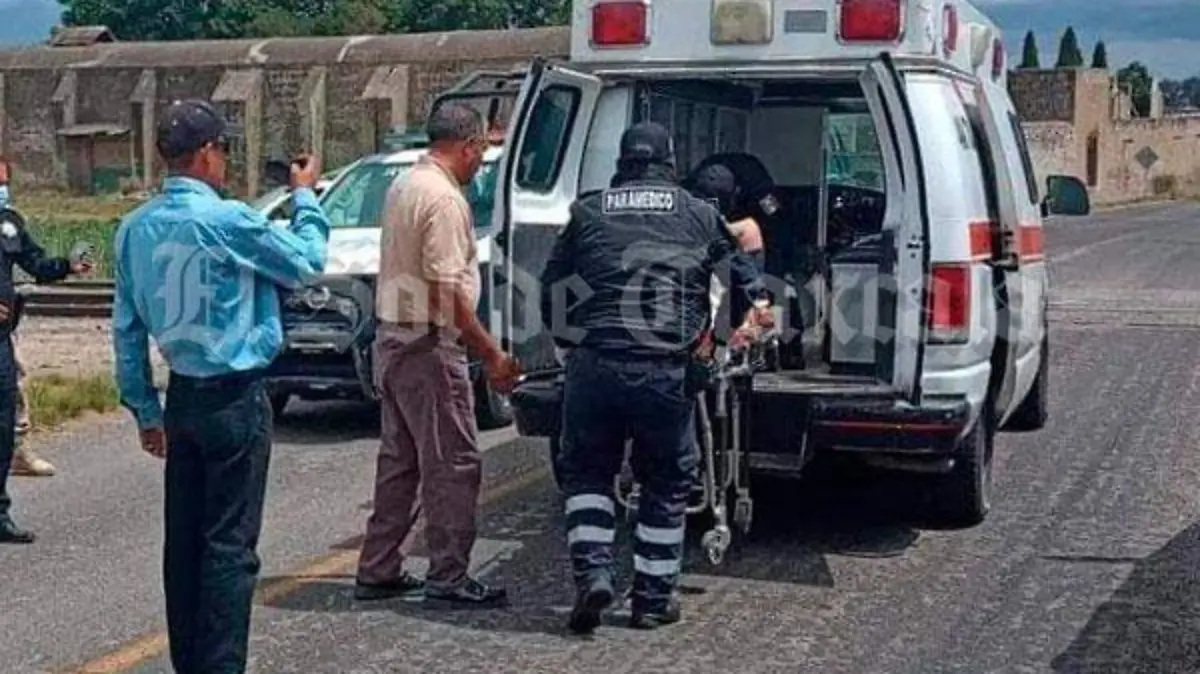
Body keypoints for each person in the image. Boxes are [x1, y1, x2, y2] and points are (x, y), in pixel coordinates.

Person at [112, 99, 330, 673]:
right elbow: (307, 262)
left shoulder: (134, 230)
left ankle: (190, 664)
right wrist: (305, 196)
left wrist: (145, 410)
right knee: (229, 548)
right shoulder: (229, 220)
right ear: (207, 153)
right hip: (235, 396)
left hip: (182, 397)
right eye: (224, 149)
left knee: (183, 546)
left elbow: (127, 332)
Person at [540, 122, 773, 634]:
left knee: (587, 472)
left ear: (622, 163)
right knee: (666, 480)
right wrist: (719, 341)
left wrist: (569, 346)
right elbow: (746, 283)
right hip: (667, 370)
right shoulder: (700, 214)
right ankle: (651, 600)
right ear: (670, 162)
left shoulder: (587, 211)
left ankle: (594, 574)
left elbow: (553, 288)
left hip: (595, 365)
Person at [355, 103, 520, 608]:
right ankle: (449, 574)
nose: (481, 162)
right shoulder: (445, 200)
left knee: (401, 463)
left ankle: (379, 566)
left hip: (394, 339)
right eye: (481, 151)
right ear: (468, 145)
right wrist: (490, 353)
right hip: (427, 345)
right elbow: (446, 290)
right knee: (453, 463)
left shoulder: (406, 184)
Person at [0, 160, 91, 543]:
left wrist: (67, 265)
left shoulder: (9, 223)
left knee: (4, 425)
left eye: (5, 182)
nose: (3, 189)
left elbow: (35, 263)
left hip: (0, 341)